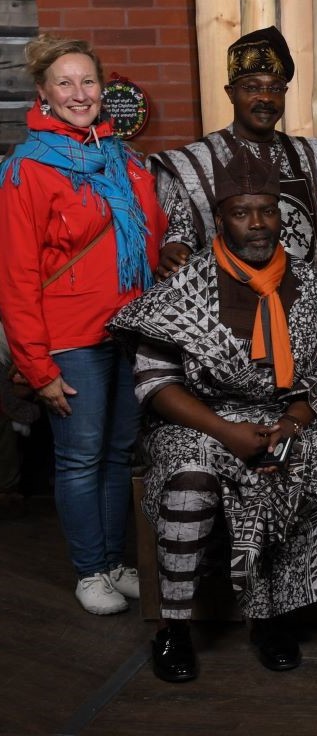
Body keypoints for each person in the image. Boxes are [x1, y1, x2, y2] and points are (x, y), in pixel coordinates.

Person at [108, 147, 317, 683]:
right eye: (241, 212)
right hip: (200, 419)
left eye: (267, 211)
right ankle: (175, 630)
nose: (257, 224)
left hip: (286, 416)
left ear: (281, 215)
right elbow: (156, 384)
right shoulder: (185, 286)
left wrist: (293, 424)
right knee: (192, 478)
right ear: (222, 218)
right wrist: (227, 433)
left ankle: (274, 616)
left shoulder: (315, 288)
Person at [0, 34, 165, 614]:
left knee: (121, 452)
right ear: (44, 95)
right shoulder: (27, 171)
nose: (79, 93)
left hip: (130, 331)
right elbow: (15, 277)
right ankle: (89, 570)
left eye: (88, 81)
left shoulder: (123, 160)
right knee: (80, 457)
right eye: (64, 83)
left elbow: (152, 238)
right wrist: (35, 365)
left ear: (103, 89)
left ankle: (115, 561)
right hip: (70, 339)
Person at [149, 26, 317, 277]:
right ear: (231, 93)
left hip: (305, 299)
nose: (266, 98)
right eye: (252, 87)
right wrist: (175, 248)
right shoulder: (195, 161)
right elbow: (180, 231)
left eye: (276, 88)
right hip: (231, 303)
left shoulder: (313, 155)